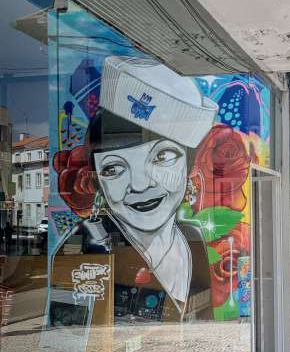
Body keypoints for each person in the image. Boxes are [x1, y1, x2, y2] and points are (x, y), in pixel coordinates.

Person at [52, 57, 218, 321]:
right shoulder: (86, 246)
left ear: (188, 166)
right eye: (113, 169)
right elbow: (68, 336)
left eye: (162, 157)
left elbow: (204, 321)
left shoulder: (191, 238)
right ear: (98, 182)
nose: (140, 185)